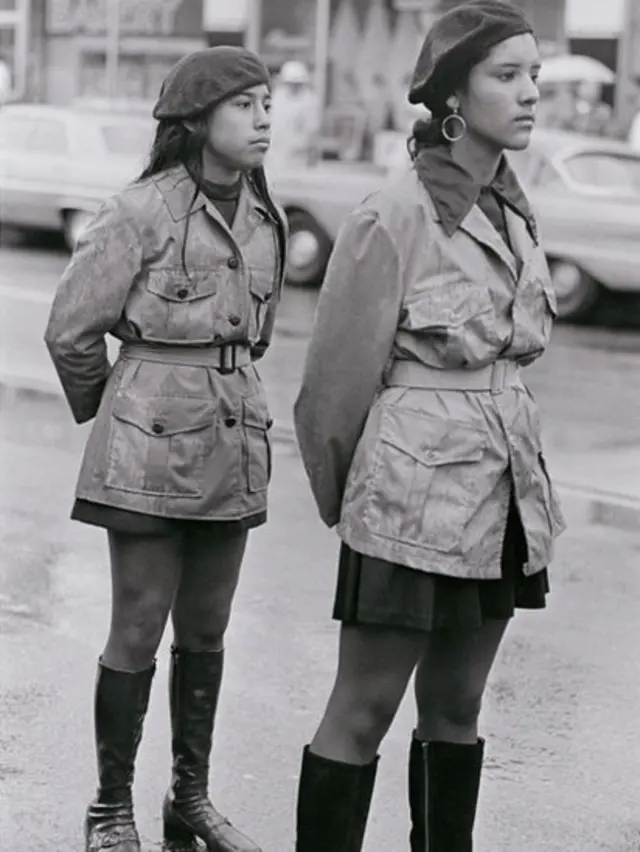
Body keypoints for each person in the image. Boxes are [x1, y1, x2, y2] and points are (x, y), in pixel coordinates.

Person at [292, 2, 566, 850]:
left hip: (502, 495)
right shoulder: (395, 212)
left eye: (534, 77)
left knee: (457, 708)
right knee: (366, 708)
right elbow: (330, 391)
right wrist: (362, 513)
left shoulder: (512, 211)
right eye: (507, 76)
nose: (529, 96)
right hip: (408, 503)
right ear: (451, 96)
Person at [44, 46, 287, 852]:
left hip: (234, 437)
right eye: (245, 105)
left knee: (209, 628)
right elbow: (72, 330)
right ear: (195, 121)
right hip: (146, 447)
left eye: (266, 104)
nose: (263, 119)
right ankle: (110, 807)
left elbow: (255, 336)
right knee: (140, 626)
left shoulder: (265, 215)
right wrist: (115, 414)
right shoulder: (139, 211)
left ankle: (191, 798)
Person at [266, 60, 320, 168]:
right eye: (290, 83)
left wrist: (312, 154)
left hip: (298, 155)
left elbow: (312, 130)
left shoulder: (309, 101)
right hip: (274, 152)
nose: (293, 87)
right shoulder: (277, 97)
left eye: (297, 84)